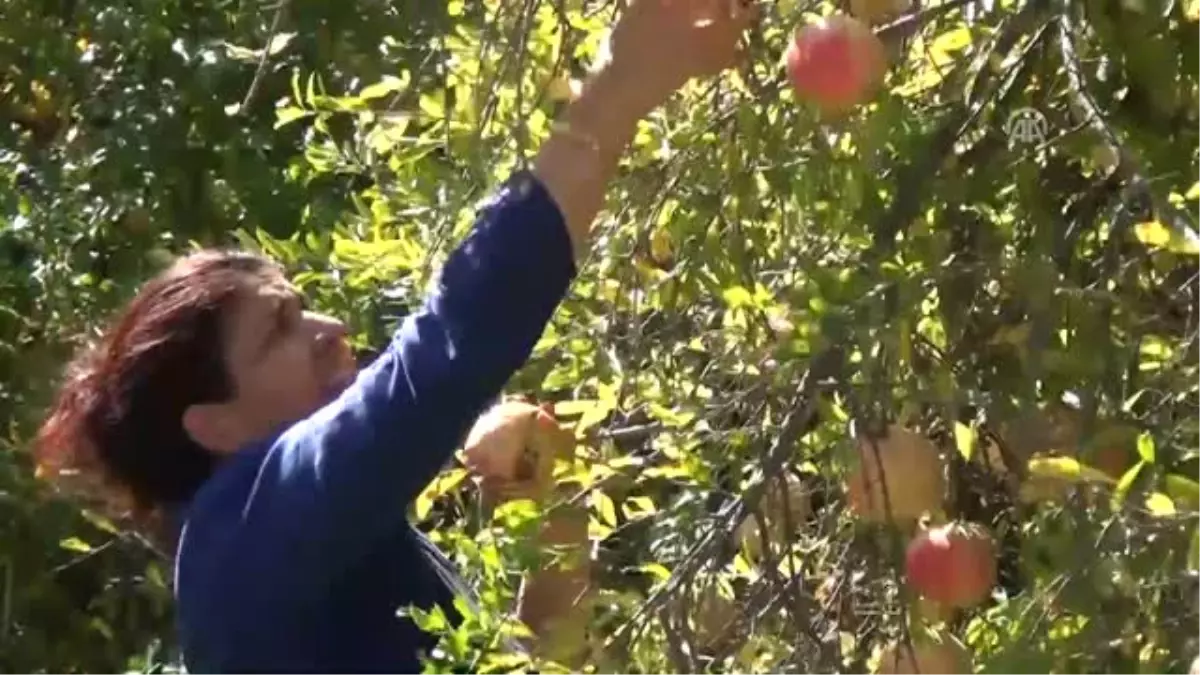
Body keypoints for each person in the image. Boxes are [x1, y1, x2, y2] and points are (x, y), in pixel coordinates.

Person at [32, 0, 754, 671]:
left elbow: (533, 660)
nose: (330, 328)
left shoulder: (337, 546)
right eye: (279, 329)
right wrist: (619, 88)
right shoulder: (239, 539)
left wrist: (552, 522)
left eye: (303, 305)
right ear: (212, 423)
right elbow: (447, 349)